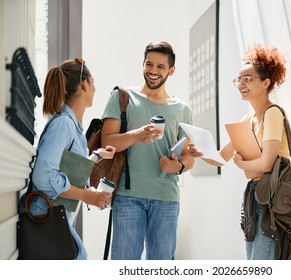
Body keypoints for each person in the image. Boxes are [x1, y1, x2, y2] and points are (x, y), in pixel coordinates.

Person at [188, 44, 289, 260]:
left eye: (248, 79)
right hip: (255, 198)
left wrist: (242, 164)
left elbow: (266, 164)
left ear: (266, 83)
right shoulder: (247, 120)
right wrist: (200, 150)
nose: (241, 84)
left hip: (273, 199)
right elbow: (221, 158)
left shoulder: (273, 114)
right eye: (239, 80)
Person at [101, 41, 195, 260]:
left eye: (160, 67)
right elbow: (108, 142)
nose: (153, 71)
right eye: (149, 64)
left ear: (171, 70)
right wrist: (136, 135)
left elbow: (189, 155)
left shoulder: (182, 110)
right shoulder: (122, 98)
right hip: (128, 197)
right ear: (142, 64)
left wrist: (179, 166)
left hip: (166, 198)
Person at [26, 58, 116, 259]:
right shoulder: (63, 125)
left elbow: (66, 167)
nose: (95, 88)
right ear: (84, 85)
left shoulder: (72, 125)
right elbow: (44, 177)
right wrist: (86, 196)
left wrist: (95, 156)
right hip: (46, 220)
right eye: (92, 82)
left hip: (57, 219)